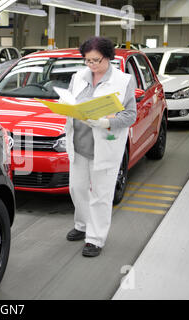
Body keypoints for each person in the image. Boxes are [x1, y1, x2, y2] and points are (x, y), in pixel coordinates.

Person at [64, 36, 137, 257]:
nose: (92, 65)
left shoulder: (123, 81)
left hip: (105, 147)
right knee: (77, 189)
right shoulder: (78, 77)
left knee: (101, 195)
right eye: (88, 60)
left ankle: (95, 239)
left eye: (96, 60)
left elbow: (130, 115)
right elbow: (68, 100)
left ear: (108, 57)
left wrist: (107, 122)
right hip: (79, 144)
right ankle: (83, 225)